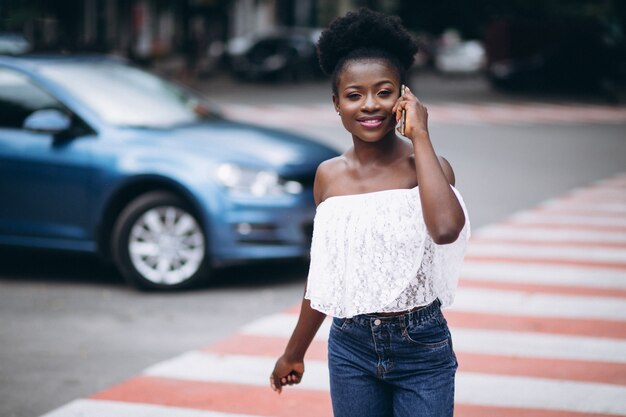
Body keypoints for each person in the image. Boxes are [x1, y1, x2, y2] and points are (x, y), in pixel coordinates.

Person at [269, 8, 470, 417]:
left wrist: (422, 135)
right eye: (354, 95)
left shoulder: (428, 167)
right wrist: (294, 352)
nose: (370, 105)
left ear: (404, 96)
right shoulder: (328, 177)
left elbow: (446, 228)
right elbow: (326, 277)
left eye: (384, 91)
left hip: (422, 349)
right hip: (350, 347)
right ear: (336, 104)